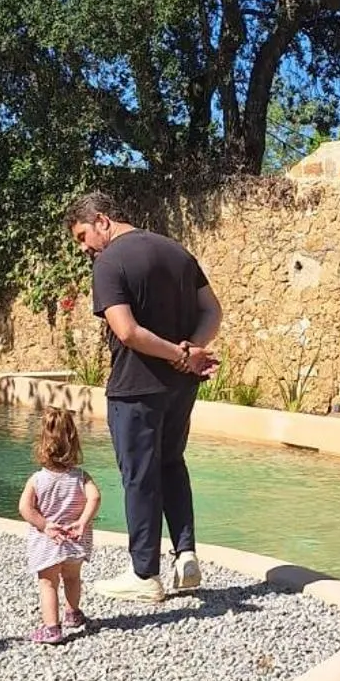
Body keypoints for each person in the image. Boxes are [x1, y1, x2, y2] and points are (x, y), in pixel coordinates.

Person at [69, 190, 220, 605]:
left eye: (83, 236)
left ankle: (144, 575)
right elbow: (212, 310)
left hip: (135, 387)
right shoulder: (177, 252)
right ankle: (185, 555)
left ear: (102, 220)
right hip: (180, 386)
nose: (84, 248)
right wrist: (191, 353)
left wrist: (177, 353)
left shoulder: (110, 263)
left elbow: (127, 331)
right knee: (172, 464)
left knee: (139, 475)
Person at [18, 406, 102, 643]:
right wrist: (82, 522)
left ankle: (52, 628)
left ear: (41, 444)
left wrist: (44, 525)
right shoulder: (81, 477)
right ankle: (73, 613)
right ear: (74, 444)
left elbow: (25, 508)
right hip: (75, 539)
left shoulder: (36, 480)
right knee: (73, 578)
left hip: (49, 542)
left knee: (48, 583)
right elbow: (94, 497)